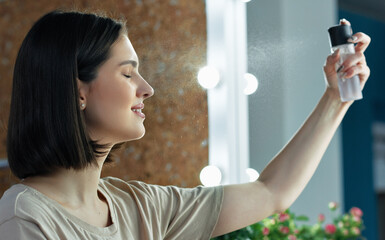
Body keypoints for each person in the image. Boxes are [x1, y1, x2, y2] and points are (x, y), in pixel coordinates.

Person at [0, 10, 370, 240]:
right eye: (128, 74)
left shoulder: (141, 207)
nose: (147, 88)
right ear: (77, 90)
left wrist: (335, 99)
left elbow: (272, 191)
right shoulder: (26, 218)